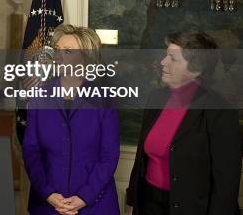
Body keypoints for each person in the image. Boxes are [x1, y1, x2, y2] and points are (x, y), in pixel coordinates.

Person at [126, 31, 241, 215]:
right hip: (149, 203)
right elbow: (141, 157)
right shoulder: (156, 98)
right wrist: (131, 198)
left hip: (193, 207)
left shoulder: (219, 110)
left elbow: (226, 181)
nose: (163, 62)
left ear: (196, 67)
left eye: (172, 58)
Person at [23, 24, 120, 215]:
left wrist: (84, 197)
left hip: (94, 204)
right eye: (57, 50)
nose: (58, 56)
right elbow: (31, 151)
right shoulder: (39, 97)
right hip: (48, 204)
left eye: (67, 51)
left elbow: (109, 156)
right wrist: (48, 193)